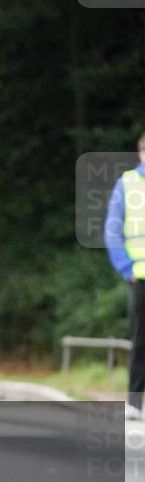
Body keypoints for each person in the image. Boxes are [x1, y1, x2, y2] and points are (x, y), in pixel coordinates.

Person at [104, 133, 145, 421]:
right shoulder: (127, 184)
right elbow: (112, 231)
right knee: (141, 340)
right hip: (140, 278)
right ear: (141, 153)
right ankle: (135, 402)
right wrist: (126, 269)